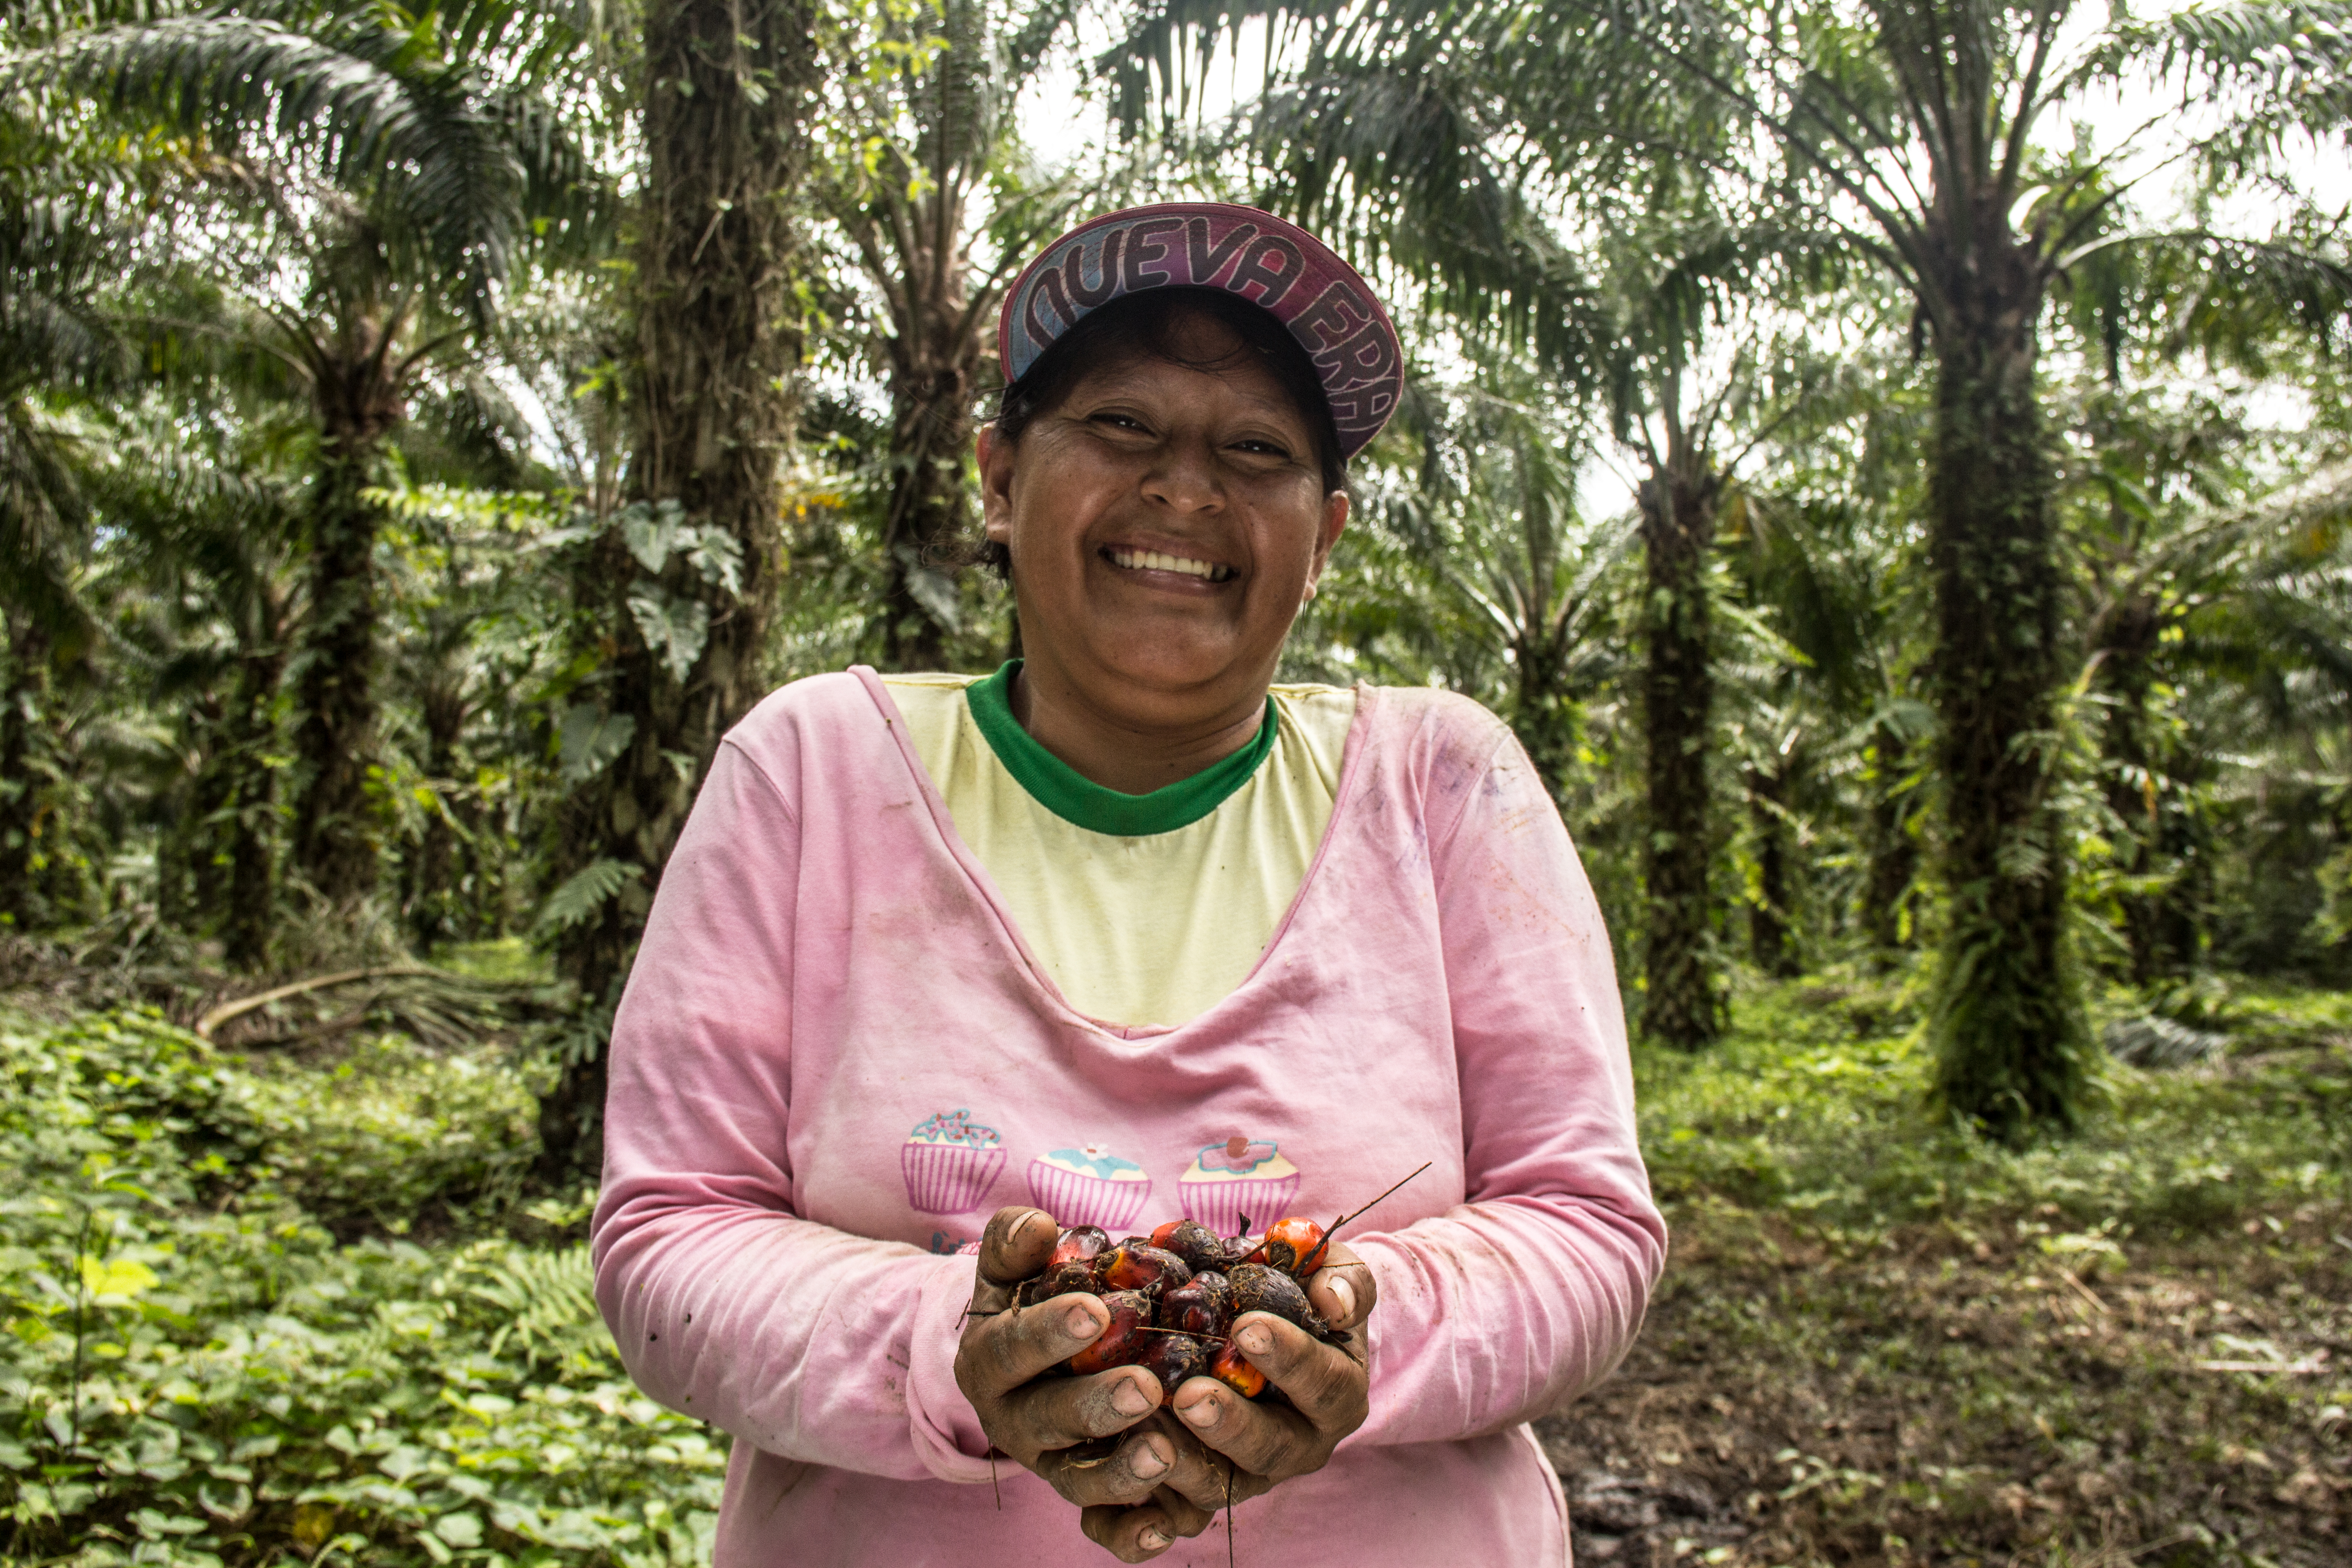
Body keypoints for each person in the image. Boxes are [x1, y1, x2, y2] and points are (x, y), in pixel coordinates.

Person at [591, 203, 1665, 1566]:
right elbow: (666, 1233)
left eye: (1257, 449)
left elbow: (1589, 1228)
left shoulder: (1445, 785)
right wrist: (954, 1348)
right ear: (997, 476)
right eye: (1121, 425)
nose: (1185, 489)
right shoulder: (810, 772)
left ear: (1323, 534)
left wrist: (1341, 1336)